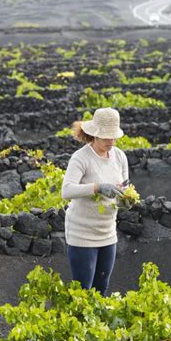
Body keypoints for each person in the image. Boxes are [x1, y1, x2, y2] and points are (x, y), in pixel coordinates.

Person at [61, 107, 129, 296]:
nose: (111, 142)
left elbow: (124, 187)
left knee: (102, 288)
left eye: (113, 137)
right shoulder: (81, 158)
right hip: (82, 233)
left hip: (107, 232)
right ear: (95, 135)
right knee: (83, 291)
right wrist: (97, 187)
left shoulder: (120, 157)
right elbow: (66, 191)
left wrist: (125, 199)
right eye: (107, 137)